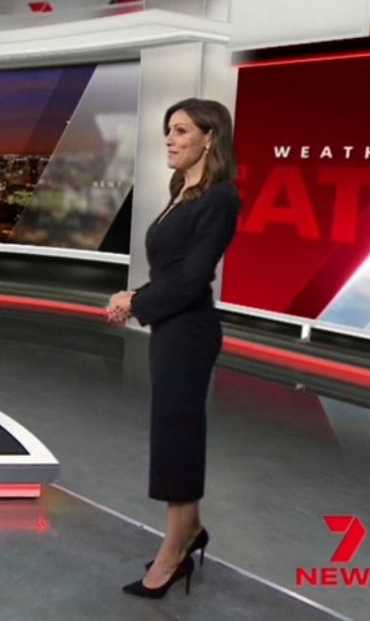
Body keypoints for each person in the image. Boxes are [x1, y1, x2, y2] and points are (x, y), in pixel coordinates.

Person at [108, 98, 240, 598]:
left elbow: (191, 279)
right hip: (170, 328)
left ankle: (174, 552)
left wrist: (136, 301)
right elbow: (172, 271)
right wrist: (137, 297)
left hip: (189, 332)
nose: (169, 137)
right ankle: (192, 530)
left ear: (210, 137)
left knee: (176, 438)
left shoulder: (220, 198)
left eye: (181, 130)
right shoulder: (181, 190)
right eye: (169, 129)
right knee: (173, 430)